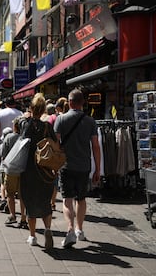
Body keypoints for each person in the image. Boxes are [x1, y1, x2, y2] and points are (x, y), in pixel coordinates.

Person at [54, 88, 100, 248]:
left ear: (70, 102)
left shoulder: (61, 119)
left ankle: (70, 230)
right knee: (81, 199)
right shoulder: (90, 121)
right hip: (84, 166)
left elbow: (56, 144)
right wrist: (98, 169)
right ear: (83, 103)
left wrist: (54, 164)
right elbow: (95, 146)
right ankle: (80, 229)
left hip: (66, 166)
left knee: (67, 200)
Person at [19, 93, 57, 250]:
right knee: (45, 201)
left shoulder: (27, 124)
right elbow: (56, 144)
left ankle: (33, 236)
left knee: (30, 201)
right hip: (45, 170)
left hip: (29, 169)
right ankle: (47, 229)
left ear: (32, 108)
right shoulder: (47, 126)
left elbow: (22, 144)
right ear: (43, 110)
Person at [0, 117, 27, 228]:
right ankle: (23, 218)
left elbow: (3, 155)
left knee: (10, 194)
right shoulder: (25, 138)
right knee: (23, 196)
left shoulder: (9, 137)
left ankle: (13, 215)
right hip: (23, 170)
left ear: (15, 126)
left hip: (10, 170)